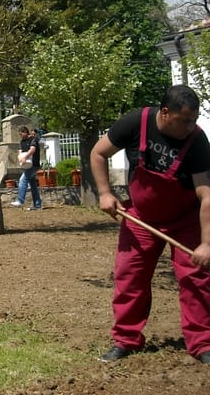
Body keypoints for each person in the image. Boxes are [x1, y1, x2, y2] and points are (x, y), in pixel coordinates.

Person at [90, 84, 210, 364]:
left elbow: (206, 195)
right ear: (165, 113)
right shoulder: (136, 122)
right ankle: (126, 340)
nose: (191, 126)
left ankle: (202, 343)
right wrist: (105, 193)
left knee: (196, 279)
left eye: (195, 120)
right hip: (141, 219)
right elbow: (98, 153)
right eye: (186, 120)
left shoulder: (197, 141)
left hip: (185, 222)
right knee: (129, 277)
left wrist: (206, 243)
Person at [11, 126, 41, 210]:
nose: (21, 136)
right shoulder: (22, 141)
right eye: (20, 134)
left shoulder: (33, 139)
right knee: (33, 185)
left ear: (25, 132)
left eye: (22, 133)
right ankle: (37, 205)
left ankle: (20, 200)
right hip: (27, 165)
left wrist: (25, 157)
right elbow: (20, 151)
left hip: (34, 165)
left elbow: (32, 150)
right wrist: (20, 158)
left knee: (22, 180)